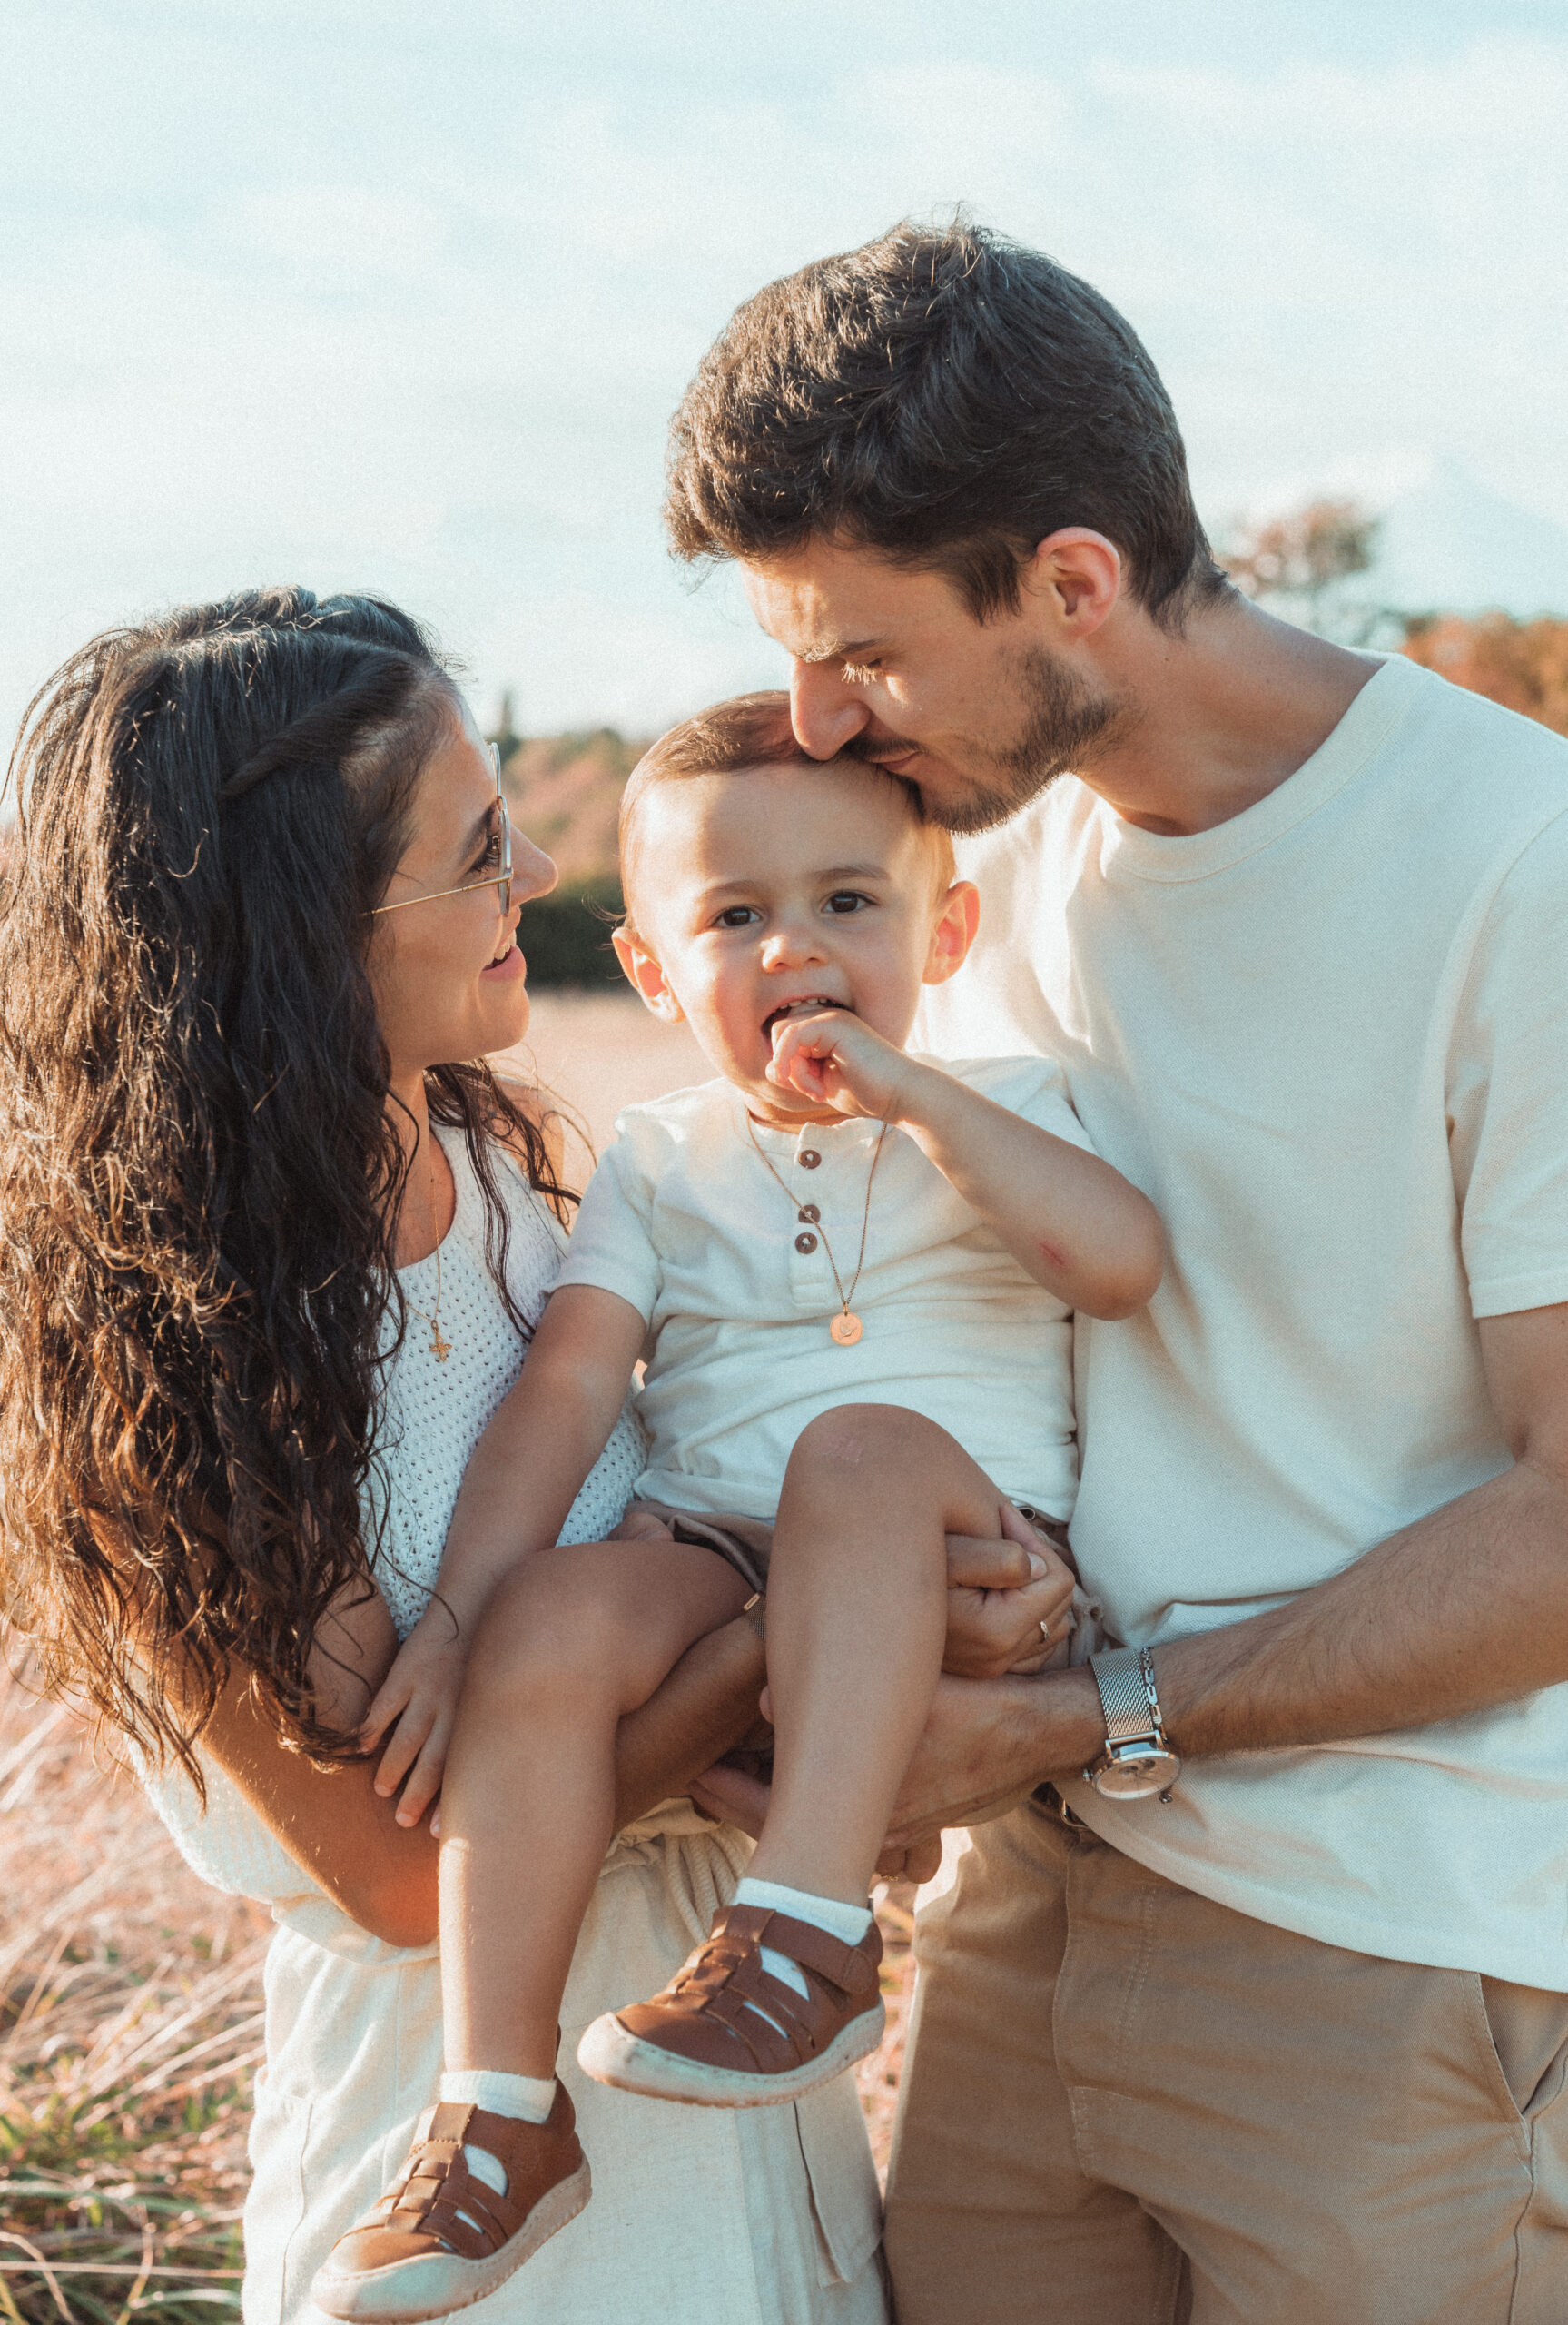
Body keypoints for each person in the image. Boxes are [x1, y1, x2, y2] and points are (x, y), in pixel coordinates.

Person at [664, 219, 1568, 2322]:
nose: (817, 717)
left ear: (1074, 583)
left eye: (863, 654)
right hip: (1036, 1903)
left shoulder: (1522, 867)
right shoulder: (983, 863)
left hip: (1396, 1950)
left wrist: (1108, 1706)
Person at [0, 590, 889, 2325]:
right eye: (482, 850)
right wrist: (788, 1656)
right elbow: (404, 1872)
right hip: (470, 2182)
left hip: (740, 2086)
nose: (538, 877)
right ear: (303, 930)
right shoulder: (152, 1368)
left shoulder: (523, 1189)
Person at [311, 688, 1159, 2318]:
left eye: (848, 903)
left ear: (948, 924)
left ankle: (808, 1934)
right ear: (648, 969)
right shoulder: (657, 1154)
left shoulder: (1010, 1107)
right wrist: (470, 1614)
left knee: (850, 1448)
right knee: (562, 1609)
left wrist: (915, 1099)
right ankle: (497, 2112)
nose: (794, 951)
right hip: (719, 1554)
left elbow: (1118, 1266)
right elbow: (566, 1390)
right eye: (734, 918)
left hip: (956, 1544)